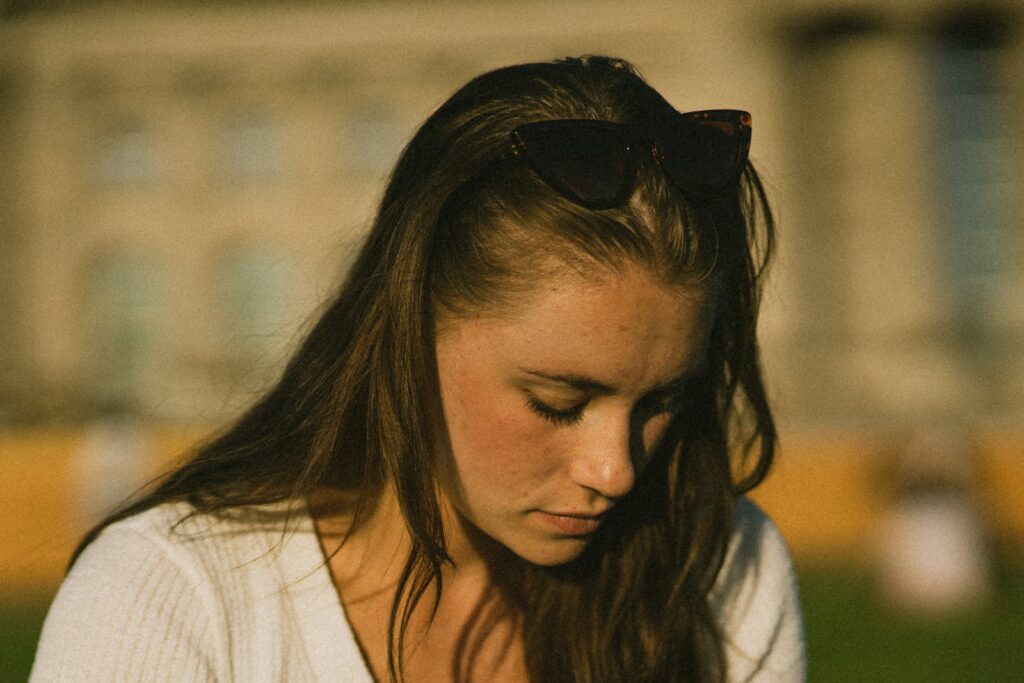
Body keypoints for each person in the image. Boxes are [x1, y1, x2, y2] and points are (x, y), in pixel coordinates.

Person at [31, 56, 805, 682]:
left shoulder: (714, 562)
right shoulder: (173, 595)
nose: (616, 470)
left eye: (661, 400)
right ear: (407, 328)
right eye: (558, 402)